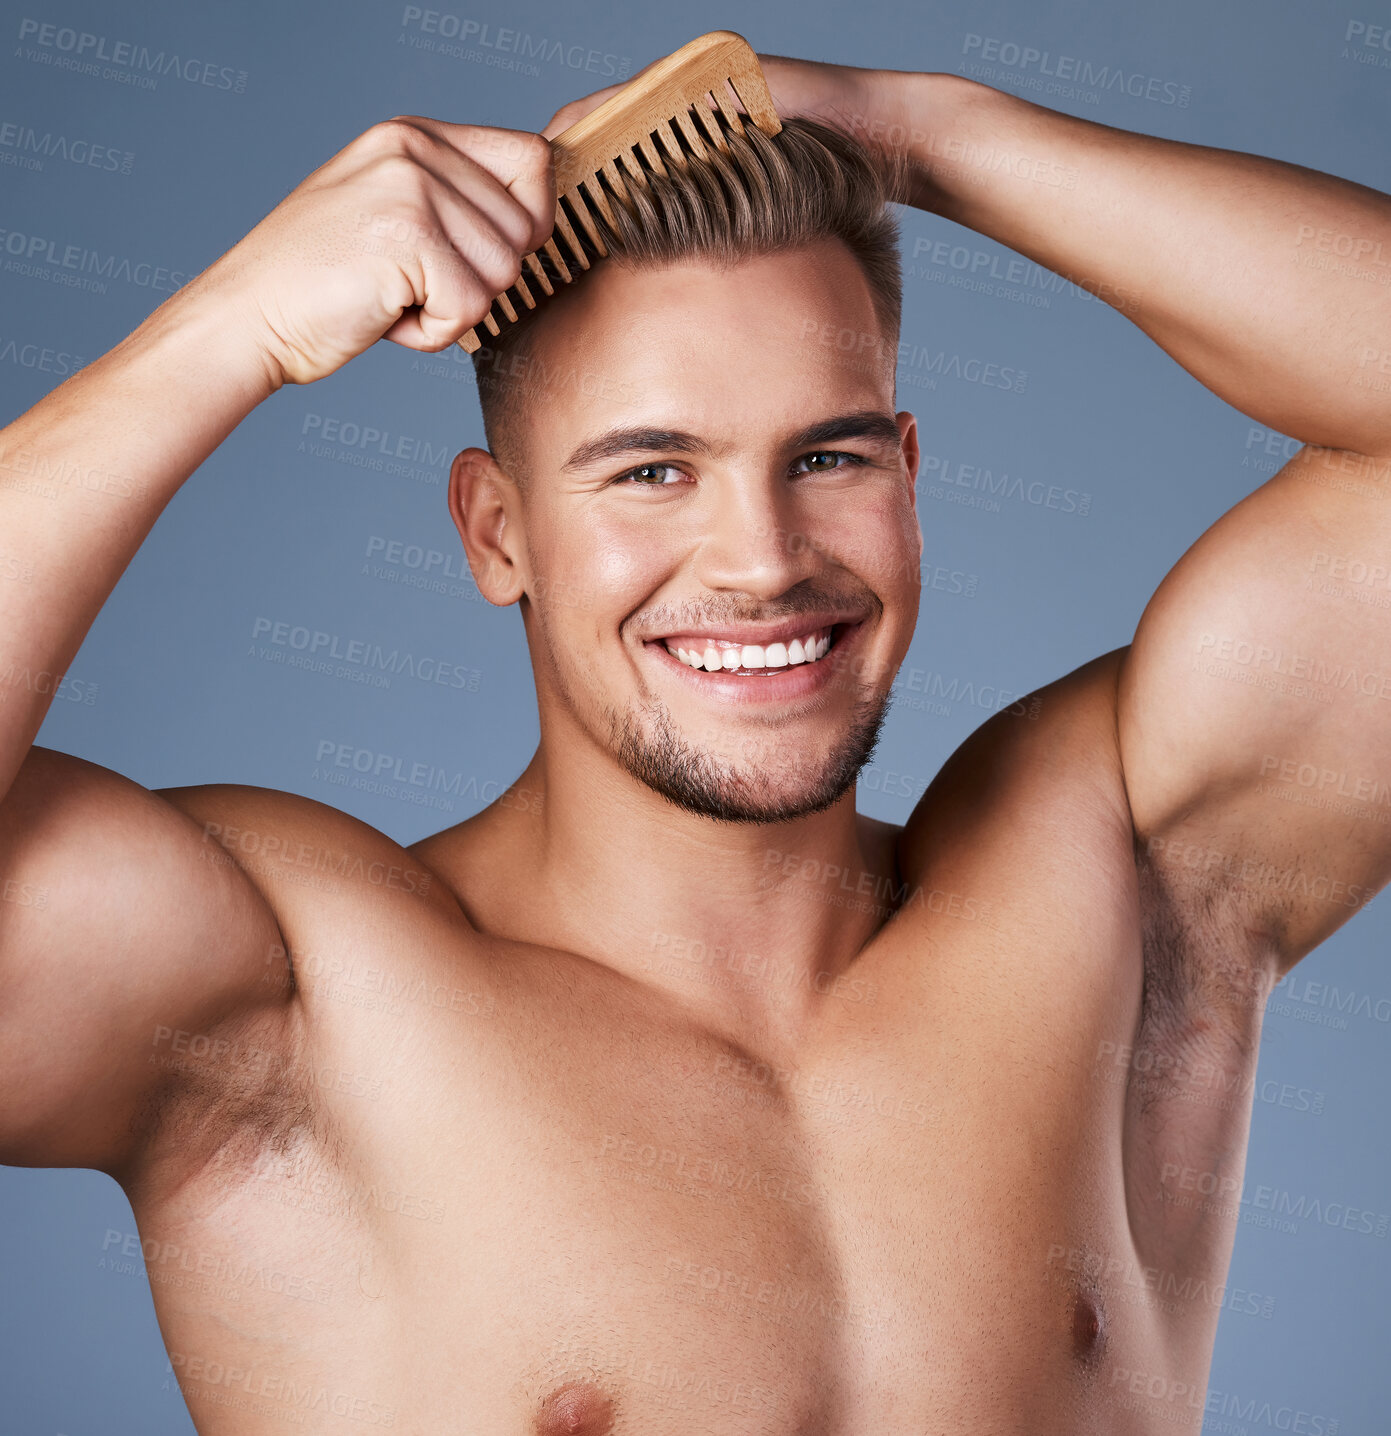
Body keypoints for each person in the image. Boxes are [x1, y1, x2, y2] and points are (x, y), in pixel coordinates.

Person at [2, 45, 1389, 1434]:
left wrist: (922, 133)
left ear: (910, 476)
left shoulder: (1109, 880)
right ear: (496, 531)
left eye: (827, 457)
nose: (762, 559)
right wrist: (229, 327)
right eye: (654, 471)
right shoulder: (301, 1004)